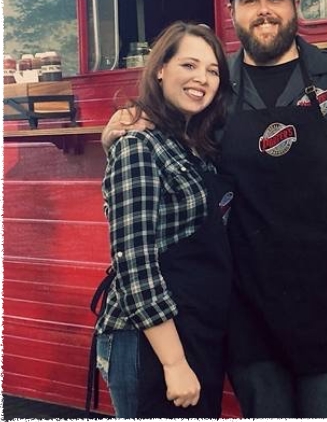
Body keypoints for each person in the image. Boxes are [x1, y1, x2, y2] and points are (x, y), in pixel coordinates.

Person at [101, 0, 327, 418]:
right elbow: (160, 140)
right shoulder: (215, 90)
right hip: (250, 319)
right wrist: (118, 130)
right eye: (249, 0)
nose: (263, 9)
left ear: (295, 7)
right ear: (233, 13)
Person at [92, 22, 234, 418]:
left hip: (195, 333)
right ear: (160, 69)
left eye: (212, 70)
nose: (201, 79)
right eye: (188, 65)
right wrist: (174, 363)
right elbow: (134, 265)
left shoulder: (195, 146)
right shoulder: (137, 145)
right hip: (149, 342)